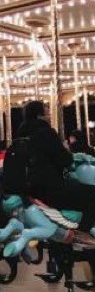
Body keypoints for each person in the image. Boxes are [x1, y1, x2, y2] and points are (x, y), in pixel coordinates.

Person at [17, 100, 95, 236]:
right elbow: (65, 160)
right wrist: (66, 152)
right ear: (39, 116)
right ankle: (83, 233)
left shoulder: (21, 136)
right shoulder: (46, 133)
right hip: (50, 188)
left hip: (31, 189)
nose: (49, 117)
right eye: (47, 113)